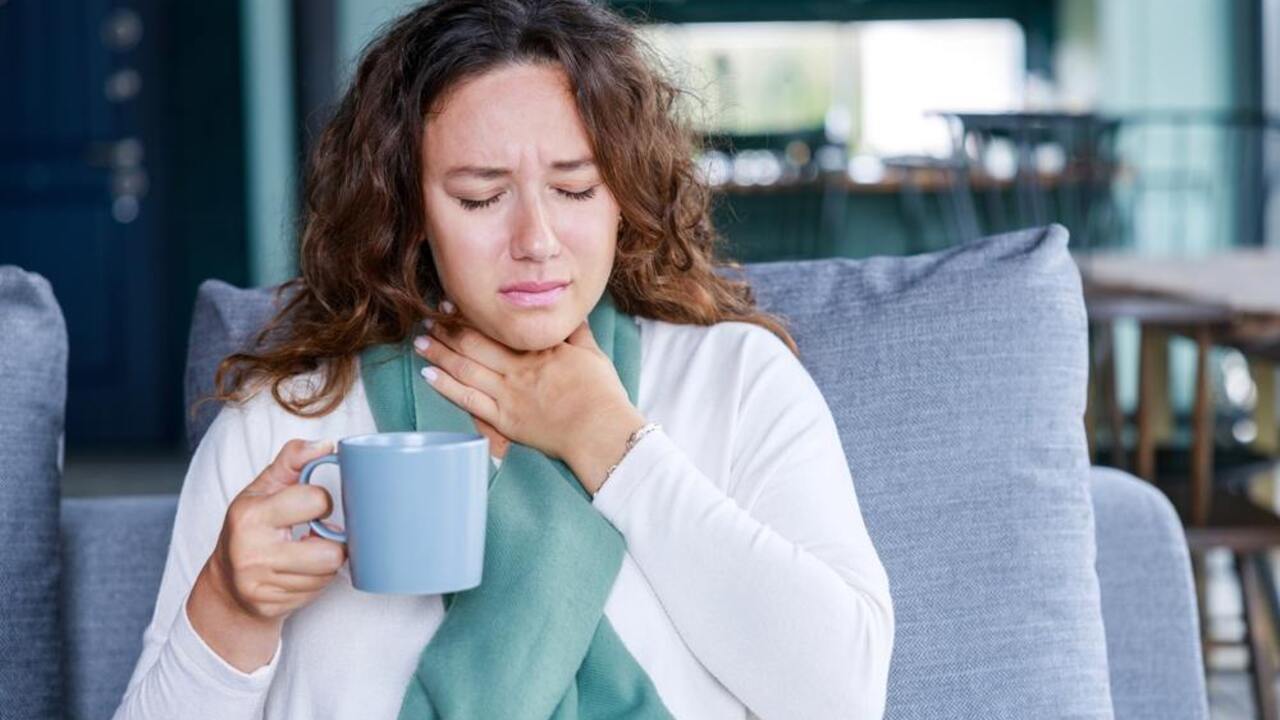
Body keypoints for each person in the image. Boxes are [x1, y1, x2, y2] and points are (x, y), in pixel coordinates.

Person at [113, 1, 893, 718]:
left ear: (623, 195)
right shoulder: (287, 422)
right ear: (409, 211)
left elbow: (844, 696)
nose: (536, 241)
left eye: (576, 189)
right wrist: (228, 608)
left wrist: (612, 444)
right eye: (481, 198)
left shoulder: (735, 381)